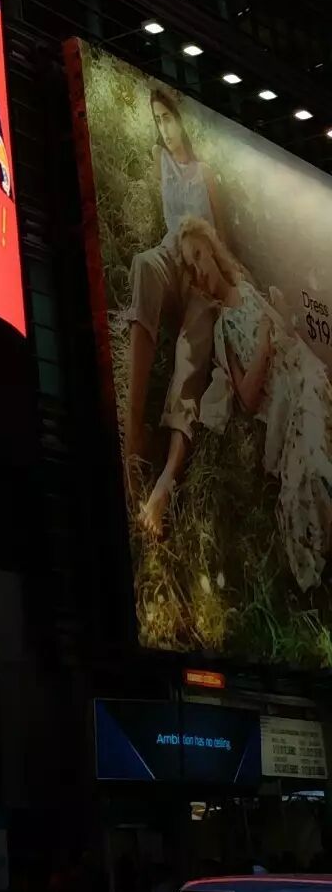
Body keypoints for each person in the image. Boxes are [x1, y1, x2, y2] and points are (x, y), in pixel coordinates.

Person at [179, 216, 332, 591]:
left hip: (303, 376)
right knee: (309, 482)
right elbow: (247, 400)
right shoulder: (222, 331)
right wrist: (263, 344)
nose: (199, 269)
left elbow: (288, 334)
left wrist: (282, 311)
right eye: (190, 267)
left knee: (320, 447)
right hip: (283, 410)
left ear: (211, 250)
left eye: (199, 255)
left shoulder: (246, 289)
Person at [122, 85, 222, 535]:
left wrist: (224, 278)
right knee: (143, 265)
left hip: (200, 268)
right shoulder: (159, 160)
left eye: (169, 118)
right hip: (169, 250)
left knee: (191, 352)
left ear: (182, 119)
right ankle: (133, 435)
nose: (164, 128)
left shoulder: (206, 173)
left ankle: (165, 483)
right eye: (157, 120)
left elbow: (220, 237)